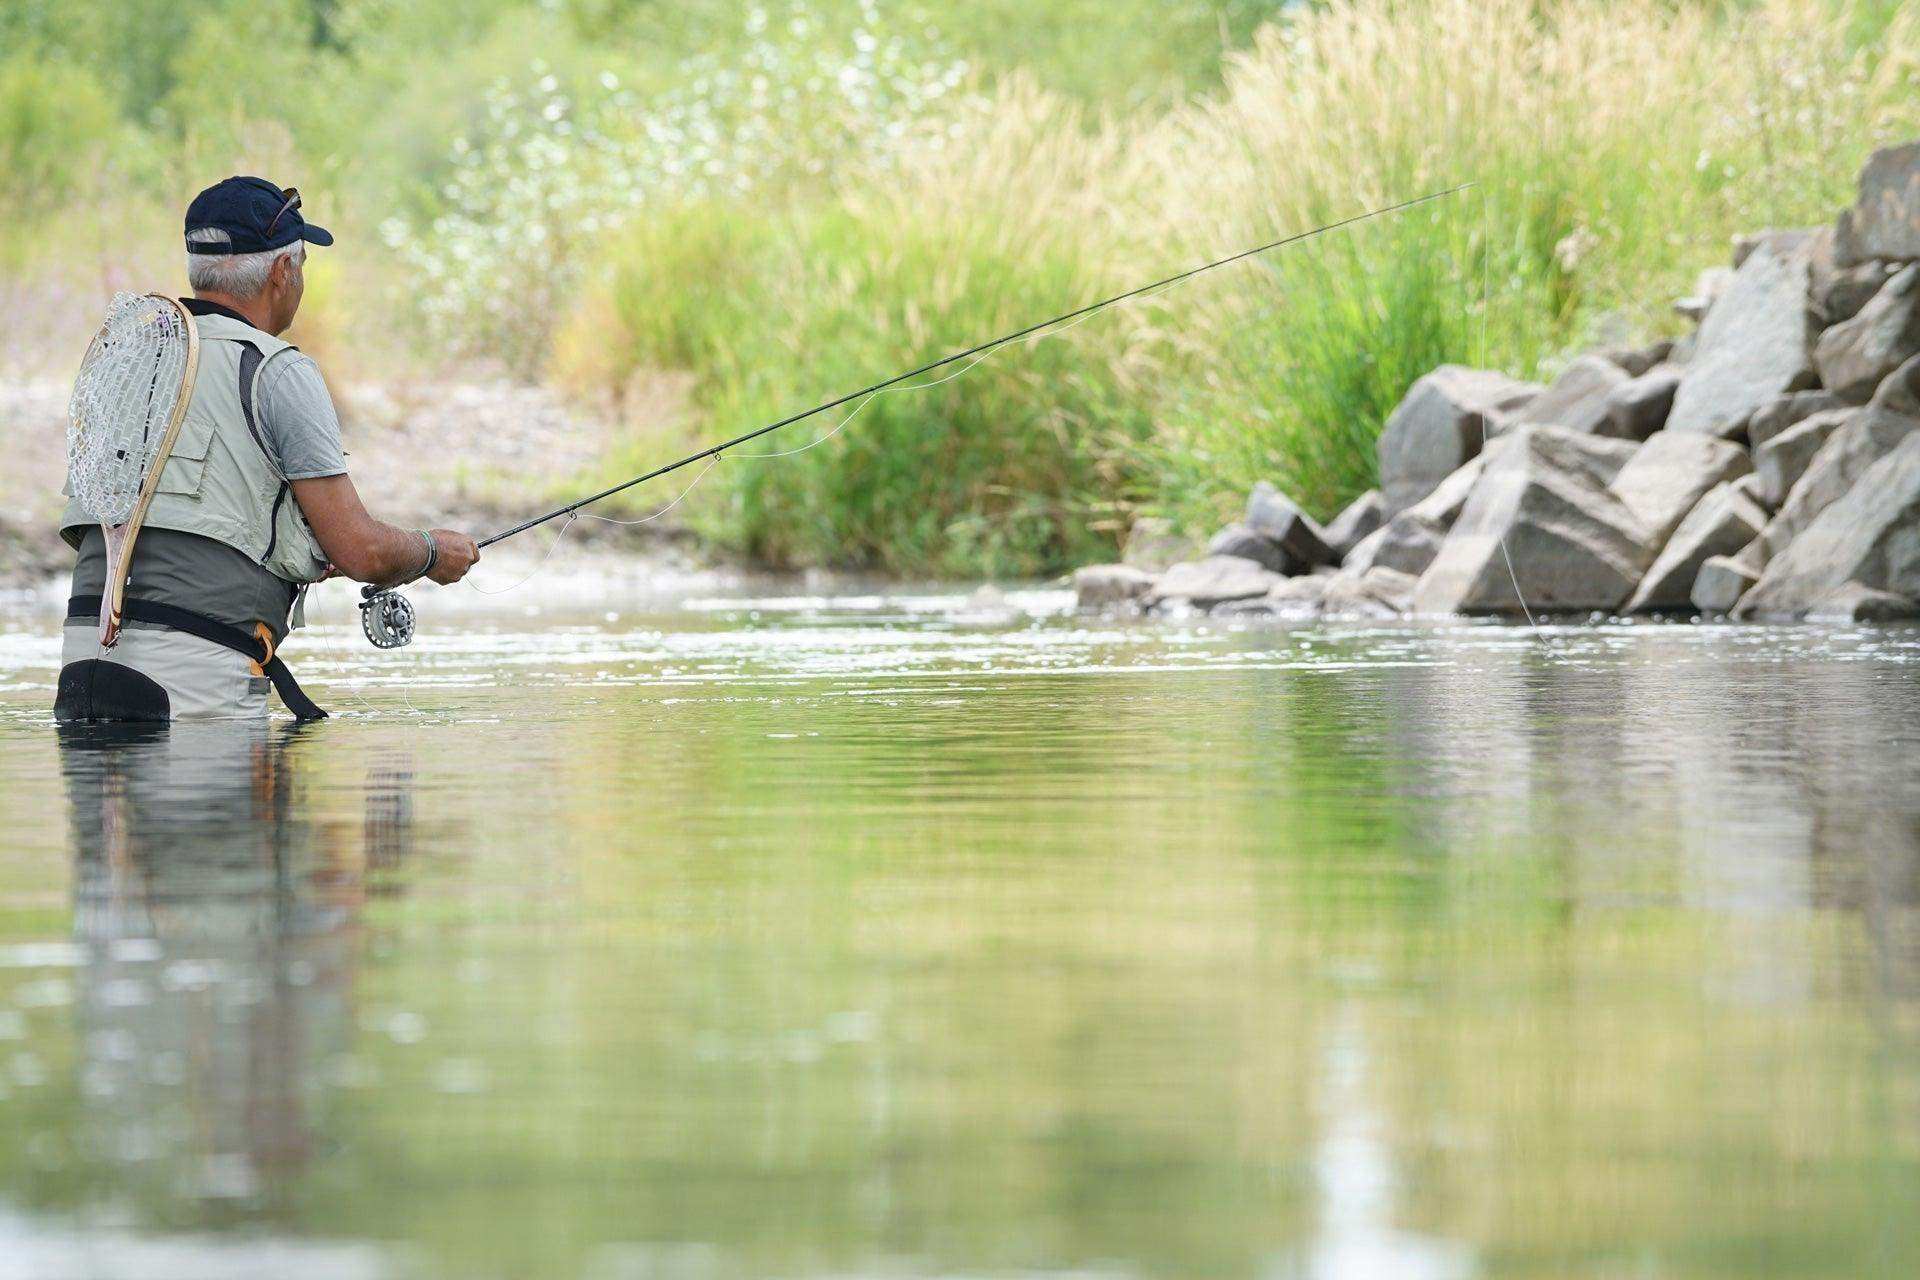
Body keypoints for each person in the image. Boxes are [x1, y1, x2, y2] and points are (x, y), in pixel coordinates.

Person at [56, 176, 480, 723]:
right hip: (193, 676)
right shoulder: (278, 371)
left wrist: (294, 547)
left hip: (81, 662)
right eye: (301, 264)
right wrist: (431, 551)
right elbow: (361, 553)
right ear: (282, 272)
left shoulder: (124, 358)